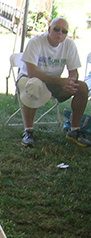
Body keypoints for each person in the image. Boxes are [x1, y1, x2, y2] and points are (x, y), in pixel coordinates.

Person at [18, 17, 90, 147]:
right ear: (49, 29)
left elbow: (73, 72)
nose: (60, 33)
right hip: (28, 80)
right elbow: (32, 73)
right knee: (35, 84)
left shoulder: (69, 44)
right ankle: (28, 131)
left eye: (64, 31)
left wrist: (70, 82)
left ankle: (74, 130)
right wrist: (61, 81)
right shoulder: (36, 42)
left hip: (53, 83)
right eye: (56, 29)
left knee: (83, 87)